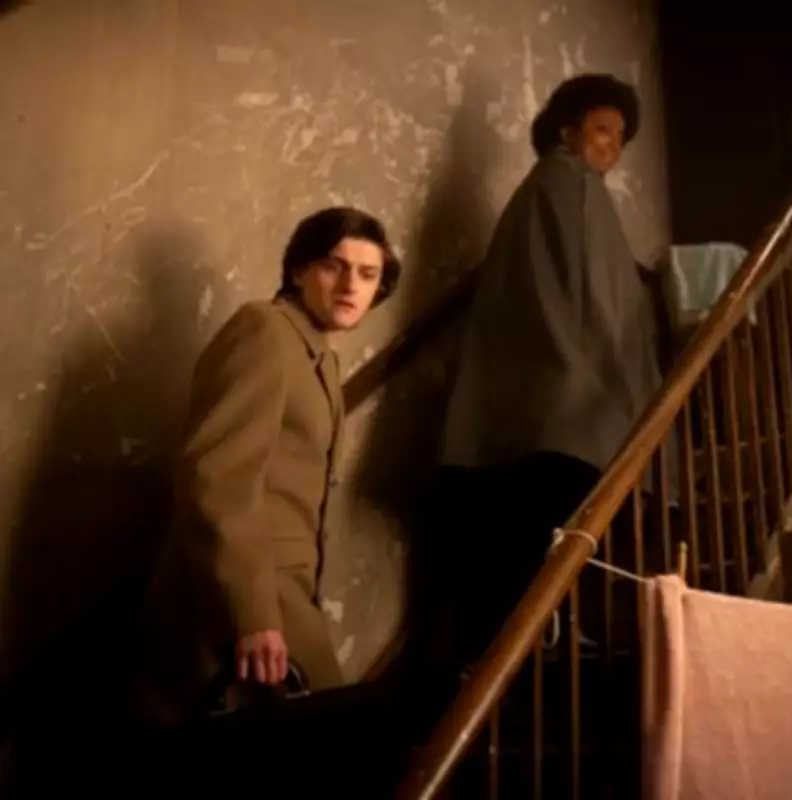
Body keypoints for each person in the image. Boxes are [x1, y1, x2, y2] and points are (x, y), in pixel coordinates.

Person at [133, 206, 401, 724]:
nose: (351, 285)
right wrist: (252, 614)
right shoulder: (265, 331)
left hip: (287, 591)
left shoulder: (317, 356)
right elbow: (215, 475)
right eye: (334, 266)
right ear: (299, 270)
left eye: (368, 274)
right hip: (247, 591)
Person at [432, 74, 664, 667]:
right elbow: (602, 305)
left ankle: (522, 649)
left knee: (516, 551)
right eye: (602, 129)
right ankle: (541, 644)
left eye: (620, 137)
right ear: (567, 131)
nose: (612, 145)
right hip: (568, 409)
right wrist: (630, 393)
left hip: (525, 408)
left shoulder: (539, 191)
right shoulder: (574, 185)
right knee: (553, 541)